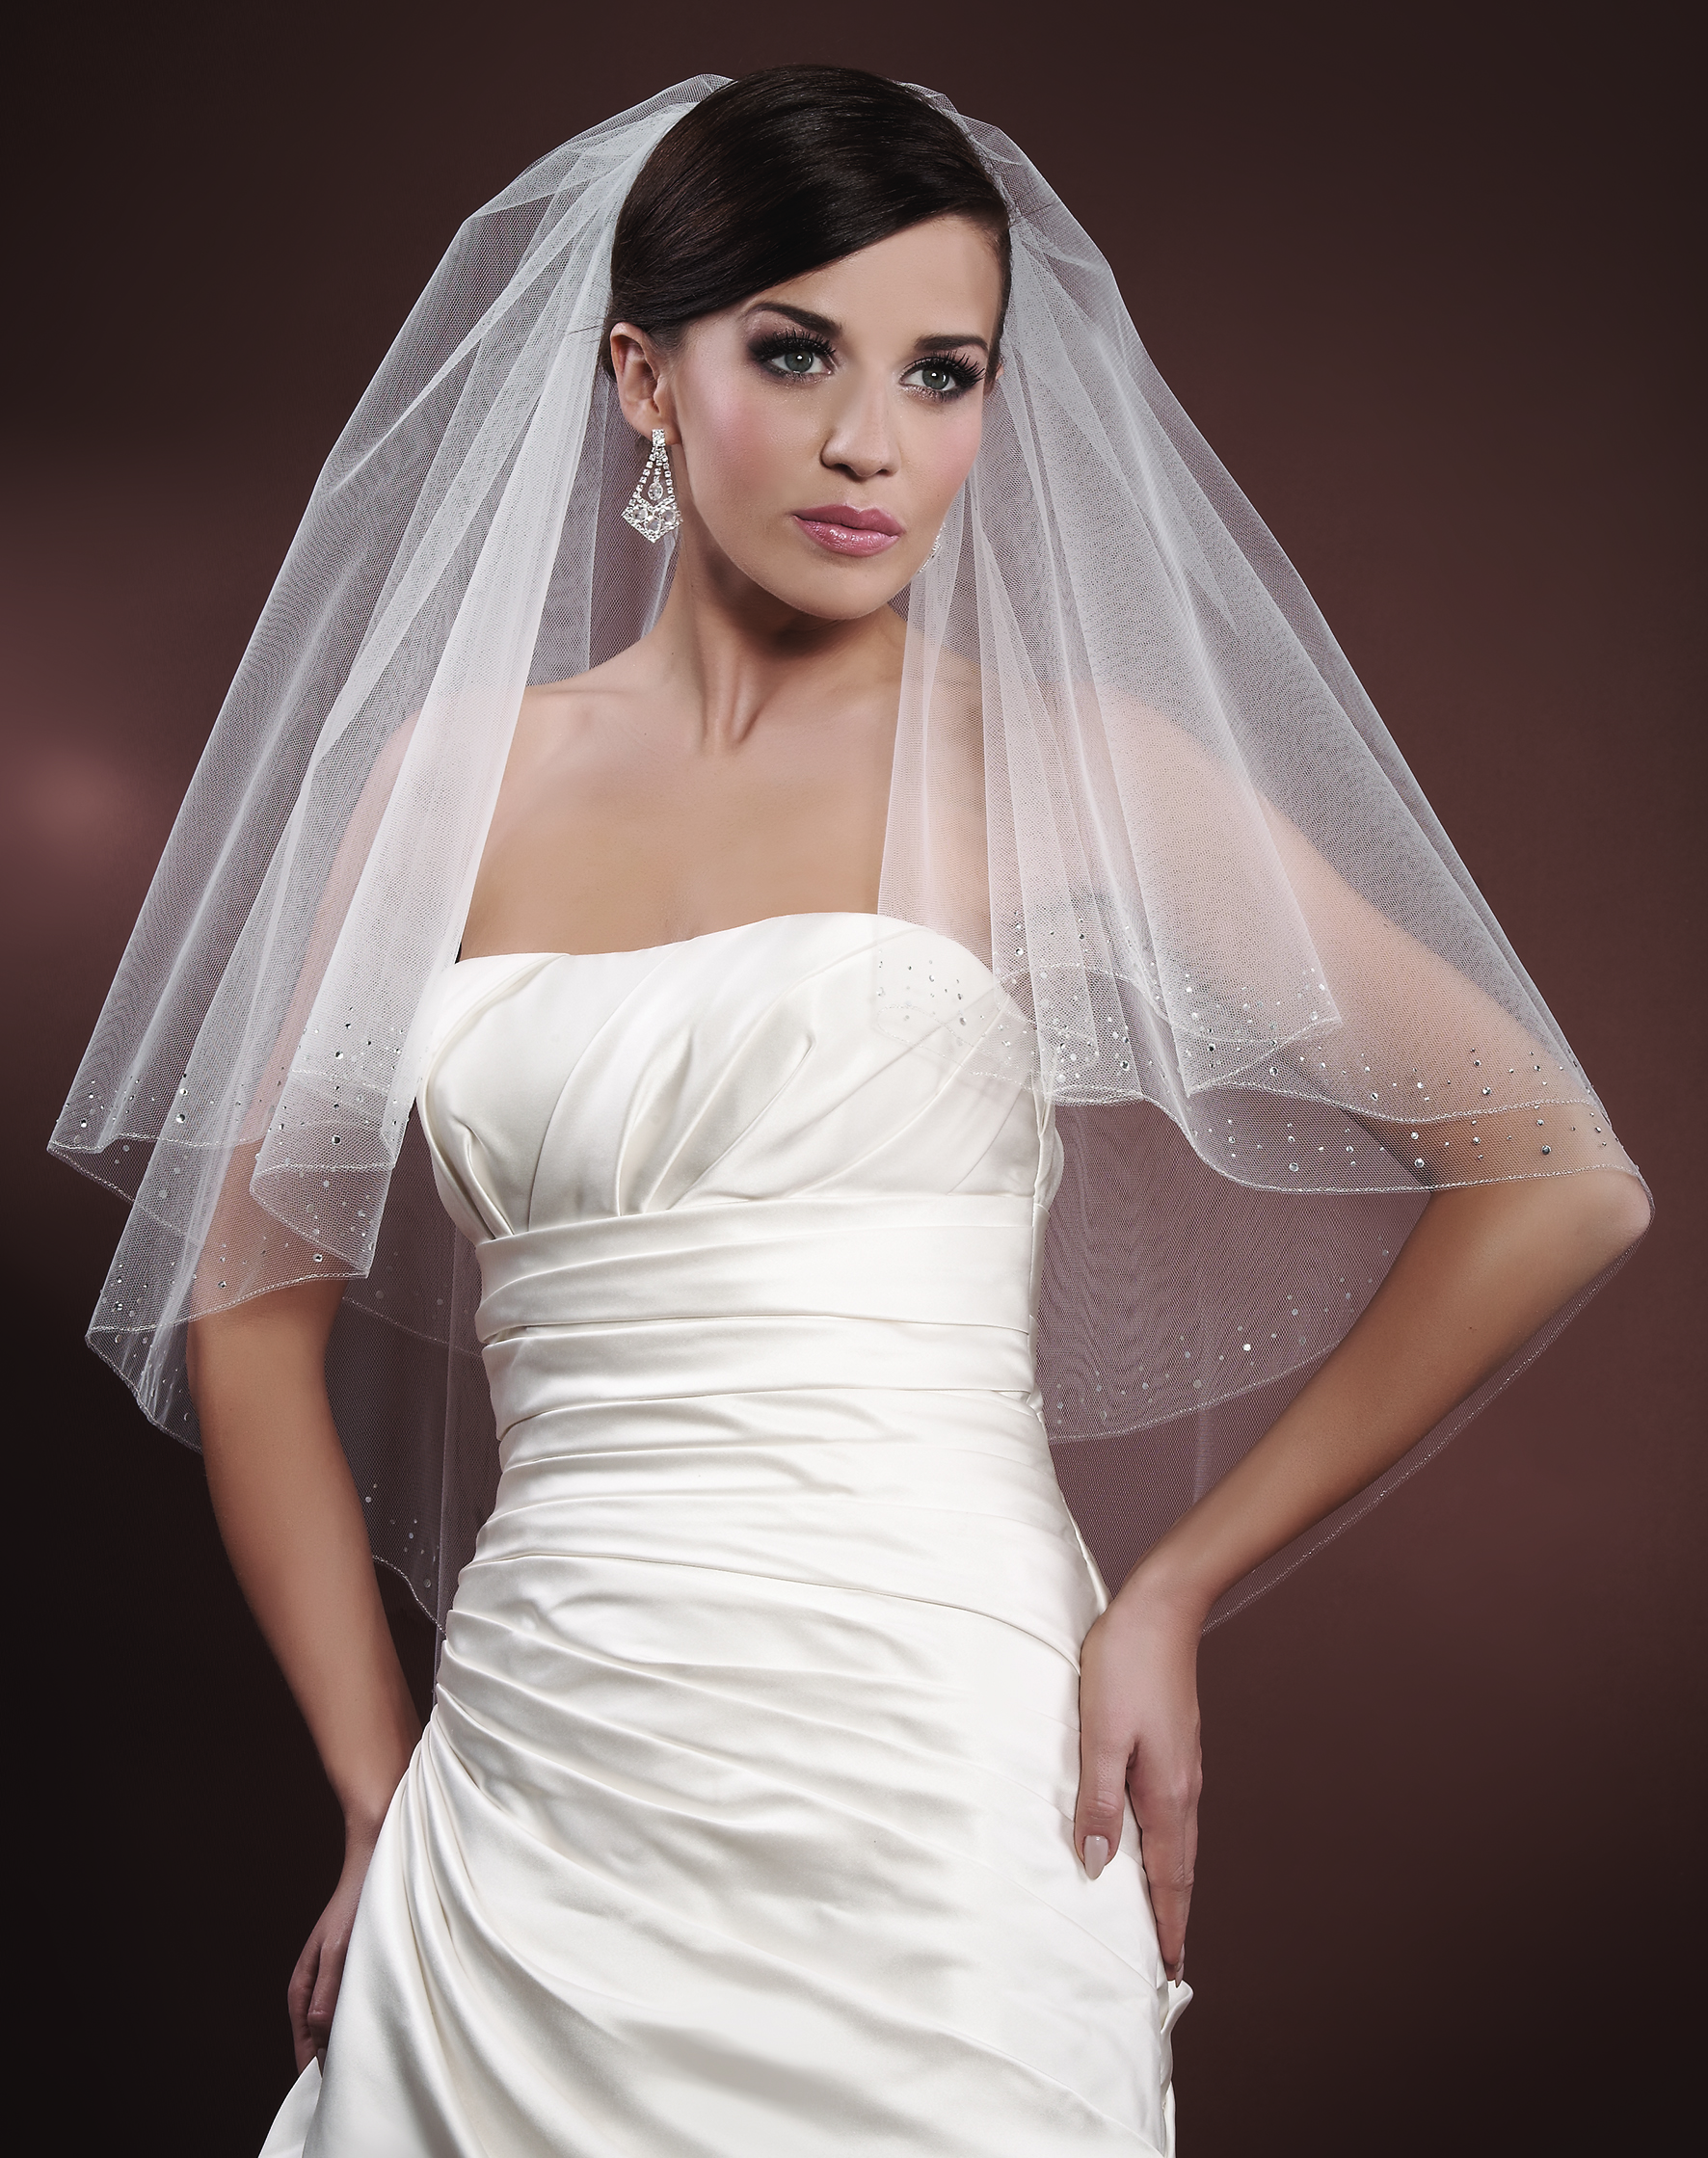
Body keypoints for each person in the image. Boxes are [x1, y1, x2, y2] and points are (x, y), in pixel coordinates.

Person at [53, 68, 1647, 2157]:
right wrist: (377, 1788)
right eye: (795, 352)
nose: (872, 441)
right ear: (643, 377)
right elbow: (245, 1307)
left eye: (941, 373)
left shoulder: (1067, 772)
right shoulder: (450, 780)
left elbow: (1559, 1176)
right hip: (541, 1770)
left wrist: (1170, 1589)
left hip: (942, 1772)